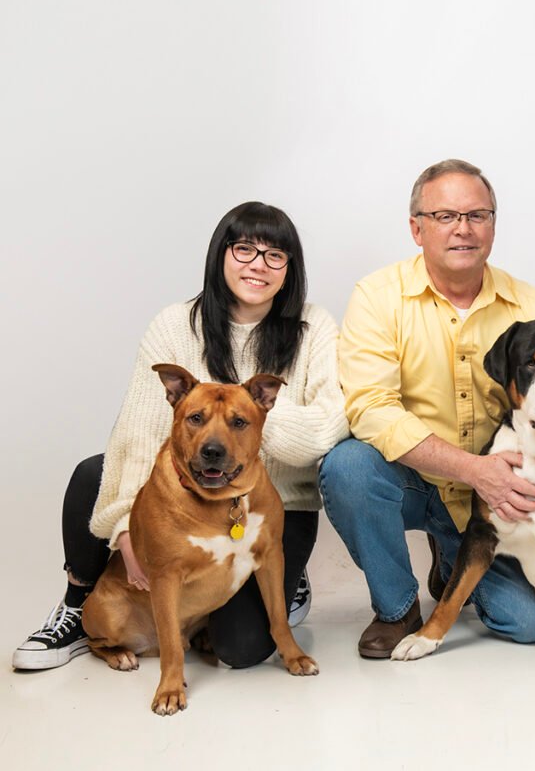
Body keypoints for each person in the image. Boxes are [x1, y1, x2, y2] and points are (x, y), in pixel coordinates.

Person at [318, 159, 535, 658]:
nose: (463, 229)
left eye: (477, 215)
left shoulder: (529, 302)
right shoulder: (378, 296)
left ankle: (451, 560)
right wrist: (474, 471)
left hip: (503, 497)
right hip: (416, 478)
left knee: (531, 624)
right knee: (347, 468)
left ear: (493, 226)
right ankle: (398, 608)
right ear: (417, 227)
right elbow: (371, 407)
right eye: (446, 216)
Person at [12, 202, 350, 671]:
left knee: (239, 650)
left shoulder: (313, 329)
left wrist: (250, 417)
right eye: (245, 249)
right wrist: (126, 528)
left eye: (275, 255)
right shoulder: (175, 324)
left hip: (278, 504)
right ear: (220, 255)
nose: (258, 264)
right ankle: (76, 606)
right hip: (192, 491)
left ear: (290, 269)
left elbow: (328, 426)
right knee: (94, 471)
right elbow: (140, 431)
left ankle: (287, 578)